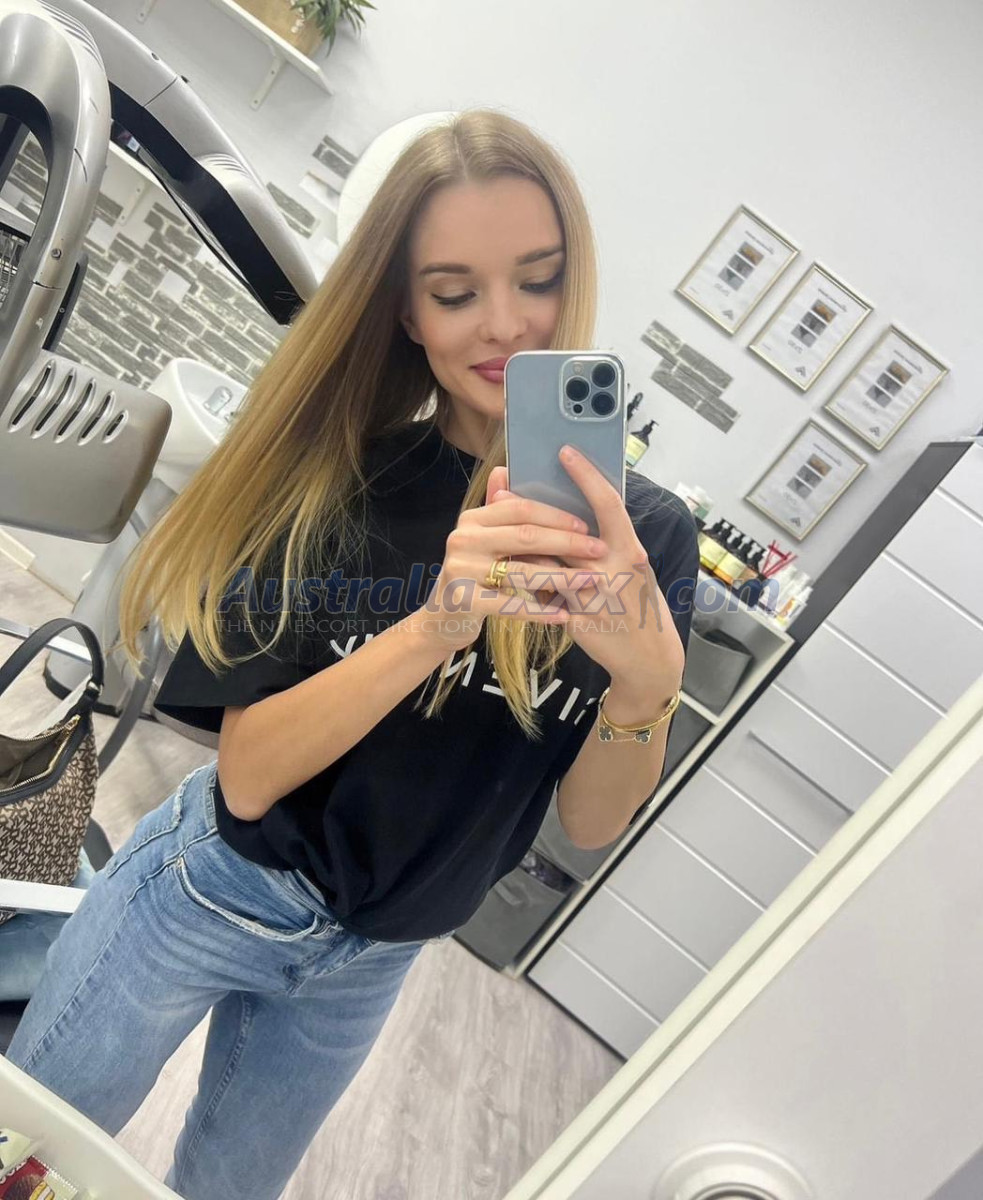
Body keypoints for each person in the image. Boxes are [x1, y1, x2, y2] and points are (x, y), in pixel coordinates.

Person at [5, 108, 699, 1199]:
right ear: (407, 313)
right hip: (211, 890)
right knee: (29, 1146)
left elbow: (589, 822)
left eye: (537, 278)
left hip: (372, 962)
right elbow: (249, 776)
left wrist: (645, 686)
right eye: (455, 292)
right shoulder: (338, 481)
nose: (505, 323)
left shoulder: (644, 538)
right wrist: (437, 625)